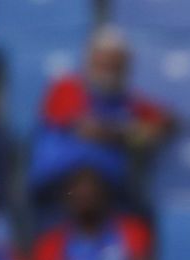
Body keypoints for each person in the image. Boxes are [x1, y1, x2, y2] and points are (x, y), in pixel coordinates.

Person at [29, 27, 171, 194]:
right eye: (103, 62)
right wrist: (132, 133)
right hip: (58, 186)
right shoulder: (67, 87)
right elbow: (88, 128)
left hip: (108, 189)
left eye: (117, 65)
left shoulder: (127, 99)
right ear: (89, 60)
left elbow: (166, 120)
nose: (109, 70)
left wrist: (138, 132)